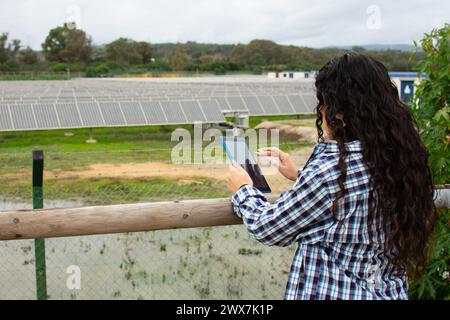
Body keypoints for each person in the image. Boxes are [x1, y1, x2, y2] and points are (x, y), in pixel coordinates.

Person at [226, 53, 437, 300]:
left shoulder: (330, 173)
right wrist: (300, 175)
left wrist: (243, 190)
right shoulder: (397, 158)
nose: (321, 110)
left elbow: (269, 227)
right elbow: (355, 191)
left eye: (324, 102)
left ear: (340, 113)